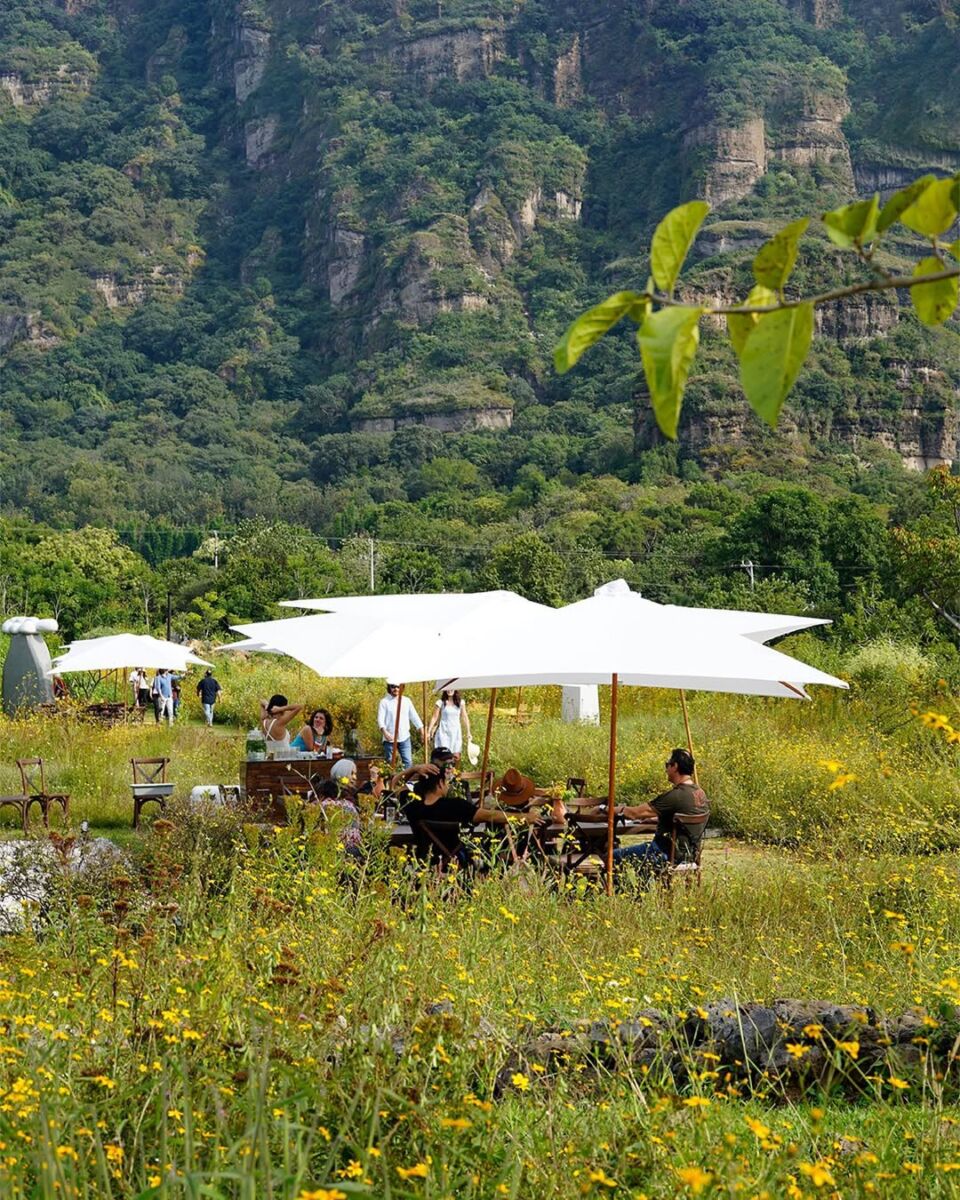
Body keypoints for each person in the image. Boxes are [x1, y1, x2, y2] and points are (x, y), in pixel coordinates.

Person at [402, 768, 546, 865]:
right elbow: (491, 816)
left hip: (422, 861)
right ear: (440, 784)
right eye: (445, 782)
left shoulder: (411, 806)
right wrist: (525, 817)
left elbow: (394, 785)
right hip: (456, 860)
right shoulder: (456, 805)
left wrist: (414, 769)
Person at [606, 748, 709, 873]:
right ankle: (641, 889)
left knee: (612, 856)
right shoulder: (700, 793)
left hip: (665, 853)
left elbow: (635, 813)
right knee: (641, 861)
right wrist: (656, 818)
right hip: (690, 855)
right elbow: (681, 818)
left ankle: (623, 891)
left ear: (675, 766)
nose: (666, 770)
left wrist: (611, 809)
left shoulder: (675, 796)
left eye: (667, 765)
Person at [377, 683, 423, 769]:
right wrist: (385, 732)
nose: (396, 689)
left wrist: (421, 730)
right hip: (389, 738)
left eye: (398, 687)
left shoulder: (406, 701)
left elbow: (414, 716)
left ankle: (407, 781)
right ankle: (391, 781)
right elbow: (380, 719)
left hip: (404, 737)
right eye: (393, 687)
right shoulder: (384, 702)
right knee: (390, 762)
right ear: (389, 687)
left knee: (408, 762)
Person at [427, 689, 471, 761]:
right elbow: (434, 717)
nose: (449, 690)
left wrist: (468, 732)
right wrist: (428, 732)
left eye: (451, 688)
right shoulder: (440, 703)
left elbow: (465, 717)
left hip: (456, 732)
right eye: (447, 688)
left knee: (456, 757)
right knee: (445, 756)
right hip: (444, 732)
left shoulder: (461, 703)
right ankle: (443, 771)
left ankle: (454, 772)